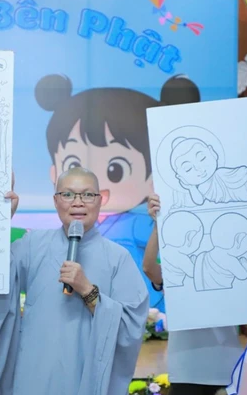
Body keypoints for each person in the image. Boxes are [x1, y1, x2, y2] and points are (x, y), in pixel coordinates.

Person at [0, 167, 150, 395]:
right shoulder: (32, 245)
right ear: (56, 201)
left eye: (87, 195)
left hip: (87, 377)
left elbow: (130, 326)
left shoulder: (117, 258)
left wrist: (88, 290)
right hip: (37, 377)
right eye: (68, 194)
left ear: (100, 200)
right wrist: (0, 220)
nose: (78, 202)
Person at [35, 74, 202, 313]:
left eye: (116, 170)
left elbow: (156, 262)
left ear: (152, 179)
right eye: (74, 165)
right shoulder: (52, 240)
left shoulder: (136, 225)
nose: (91, 186)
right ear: (55, 175)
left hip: (137, 311)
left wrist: (160, 220)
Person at [142, 193, 247, 395]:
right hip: (187, 374)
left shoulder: (240, 270)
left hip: (232, 371)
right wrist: (160, 223)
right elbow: (149, 268)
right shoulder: (181, 270)